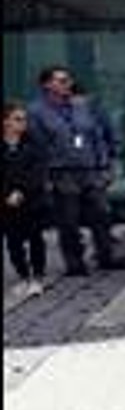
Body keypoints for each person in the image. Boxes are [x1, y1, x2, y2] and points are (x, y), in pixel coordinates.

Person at [26, 66, 125, 276]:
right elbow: (37, 146)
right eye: (61, 80)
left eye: (68, 80)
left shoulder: (81, 106)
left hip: (89, 168)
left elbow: (96, 135)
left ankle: (106, 255)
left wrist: (104, 164)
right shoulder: (36, 111)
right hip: (62, 171)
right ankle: (75, 263)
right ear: (47, 84)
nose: (66, 84)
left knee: (101, 214)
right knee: (69, 219)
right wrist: (45, 175)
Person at [3, 101, 49, 296]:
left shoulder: (34, 143)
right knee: (13, 242)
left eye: (24, 119)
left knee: (35, 238)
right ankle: (23, 276)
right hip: (6, 203)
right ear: (5, 122)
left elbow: (38, 171)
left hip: (31, 199)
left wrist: (21, 191)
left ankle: (38, 277)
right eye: (18, 119)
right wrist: (7, 194)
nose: (23, 123)